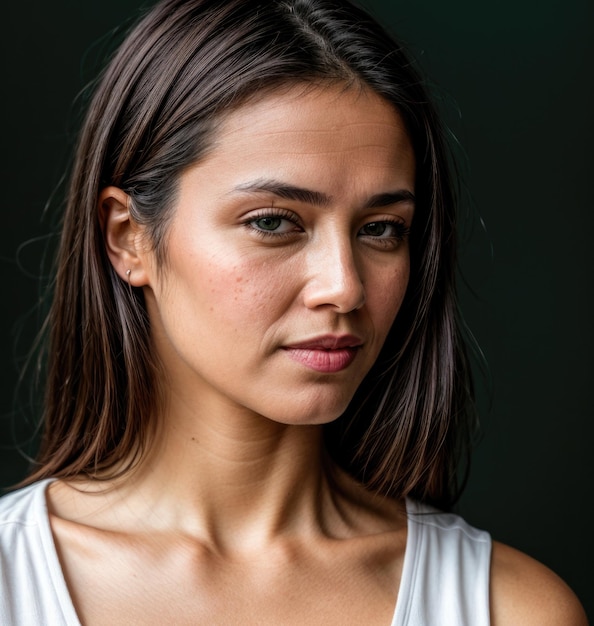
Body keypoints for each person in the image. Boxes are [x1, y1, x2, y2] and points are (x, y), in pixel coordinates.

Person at [0, 0, 587, 623]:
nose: (344, 287)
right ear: (128, 237)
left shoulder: (509, 610)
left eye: (383, 229)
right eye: (274, 222)